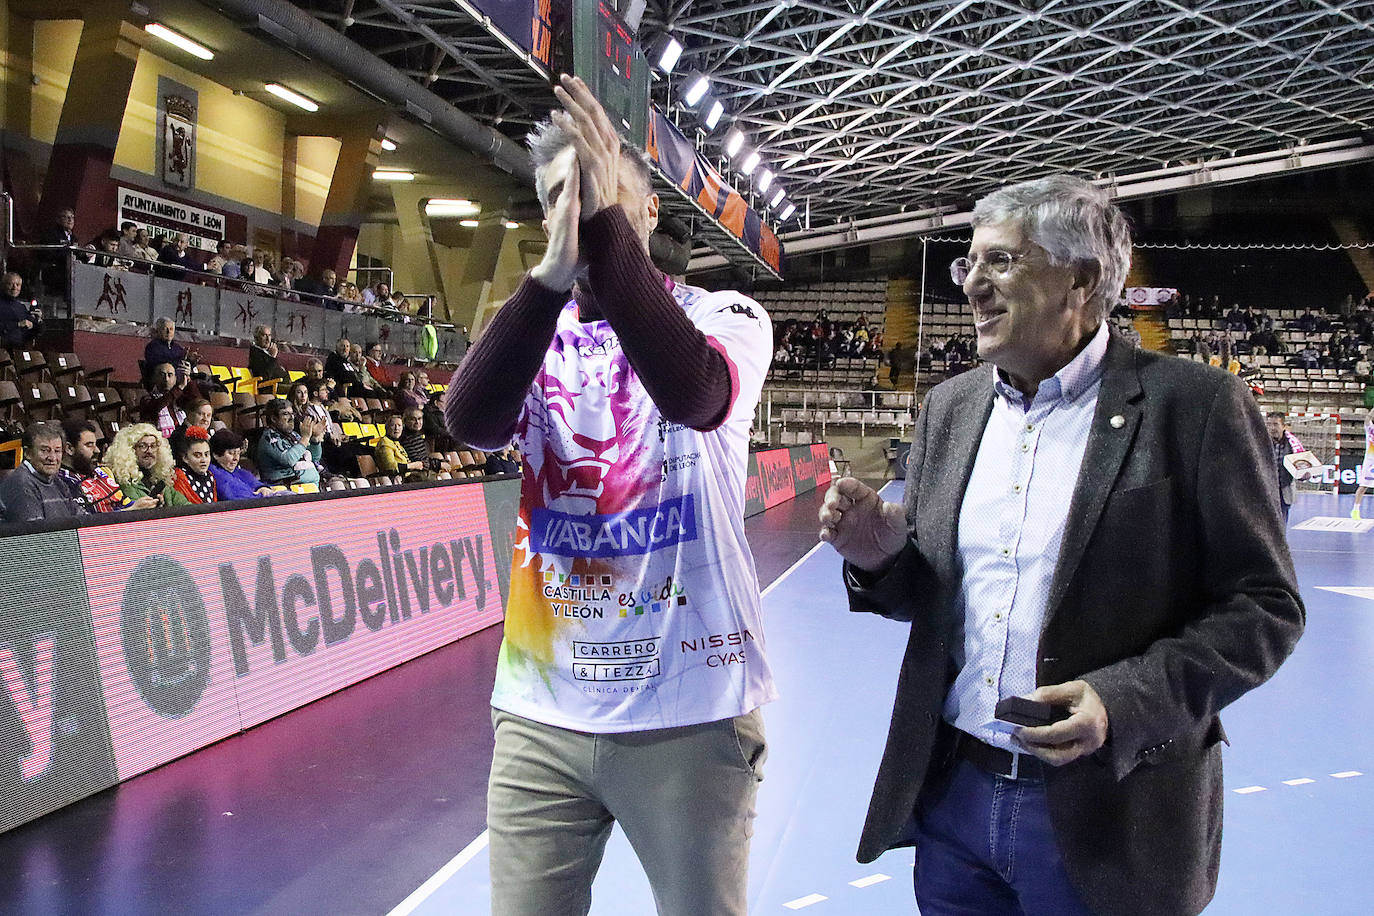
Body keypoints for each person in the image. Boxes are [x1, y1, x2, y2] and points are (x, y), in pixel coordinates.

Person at [817, 175, 1305, 916]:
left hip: (1110, 811)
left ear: (1082, 280)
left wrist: (1122, 701)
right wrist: (881, 556)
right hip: (955, 797)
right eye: (967, 265)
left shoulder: (1195, 407)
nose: (973, 285)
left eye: (1001, 263)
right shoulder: (952, 407)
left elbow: (1265, 607)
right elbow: (941, 596)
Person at [442, 74, 773, 916]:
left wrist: (600, 234)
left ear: (648, 214)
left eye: (599, 196)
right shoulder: (532, 331)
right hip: (540, 714)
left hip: (692, 714)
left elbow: (694, 393)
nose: (578, 216)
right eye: (560, 198)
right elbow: (472, 422)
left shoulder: (726, 313)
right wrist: (547, 283)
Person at [58, 419, 158, 512]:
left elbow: (125, 503)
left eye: (95, 444)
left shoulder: (101, 472)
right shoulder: (59, 483)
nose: (97, 450)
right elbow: (84, 522)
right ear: (69, 448)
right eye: (89, 445)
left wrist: (146, 504)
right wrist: (131, 511)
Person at [0, 423, 86, 522]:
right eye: (45, 450)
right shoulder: (20, 483)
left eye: (57, 451)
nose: (52, 458)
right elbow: (35, 532)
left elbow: (81, 517)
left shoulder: (57, 481)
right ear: (28, 453)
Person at [107, 424, 190, 507]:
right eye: (143, 446)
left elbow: (186, 506)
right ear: (131, 449)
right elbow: (138, 514)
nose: (149, 451)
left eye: (153, 446)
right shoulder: (125, 481)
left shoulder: (159, 480)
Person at [257, 398, 322, 486]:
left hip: (307, 489)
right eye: (285, 414)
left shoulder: (293, 435)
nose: (291, 418)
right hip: (285, 491)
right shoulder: (269, 437)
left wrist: (314, 439)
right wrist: (305, 438)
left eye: (292, 413)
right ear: (273, 418)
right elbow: (288, 460)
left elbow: (314, 458)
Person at [140, 361, 204, 438]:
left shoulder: (180, 397)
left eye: (170, 375)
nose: (166, 379)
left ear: (175, 378)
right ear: (154, 378)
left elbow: (199, 405)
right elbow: (157, 406)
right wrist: (179, 388)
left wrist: (188, 379)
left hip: (183, 441)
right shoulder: (147, 399)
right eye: (162, 375)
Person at [208, 428, 276, 499]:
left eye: (238, 453)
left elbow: (254, 482)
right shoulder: (214, 473)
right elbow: (237, 498)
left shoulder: (238, 471)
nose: (236, 458)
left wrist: (262, 488)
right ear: (216, 455)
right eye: (231, 453)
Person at [1266, 411, 1303, 524]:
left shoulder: (1294, 444)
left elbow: (1302, 466)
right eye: (1269, 424)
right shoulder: (1261, 442)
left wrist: (1303, 474)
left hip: (1284, 489)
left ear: (1284, 426)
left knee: (1282, 522)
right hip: (1265, 489)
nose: (1272, 428)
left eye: (1276, 424)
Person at [374, 414, 431, 482]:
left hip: (407, 475)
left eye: (399, 425)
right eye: (393, 425)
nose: (396, 428)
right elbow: (390, 467)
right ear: (387, 428)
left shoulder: (396, 442)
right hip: (395, 478)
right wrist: (413, 465)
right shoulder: (385, 443)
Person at [169, 426, 218, 504]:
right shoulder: (178, 477)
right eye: (197, 455)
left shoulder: (210, 476)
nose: (203, 460)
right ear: (185, 458)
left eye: (206, 454)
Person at [143, 317, 195, 387]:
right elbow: (160, 364)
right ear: (158, 330)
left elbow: (182, 362)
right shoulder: (152, 347)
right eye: (165, 329)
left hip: (180, 379)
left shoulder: (177, 348)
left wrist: (191, 360)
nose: (169, 332)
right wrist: (179, 360)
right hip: (162, 381)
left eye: (171, 329)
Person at [399, 407, 450, 475]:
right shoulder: (405, 438)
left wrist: (440, 462)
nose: (417, 422)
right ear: (405, 421)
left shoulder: (417, 435)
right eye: (413, 419)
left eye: (419, 418)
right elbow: (419, 462)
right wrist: (439, 464)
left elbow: (424, 459)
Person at [0, 271, 42, 348]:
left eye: (18, 285)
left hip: (19, 350)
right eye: (10, 284)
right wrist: (17, 324)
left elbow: (36, 331)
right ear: (3, 285)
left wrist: (38, 320)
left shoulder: (21, 307)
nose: (14, 288)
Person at [1350, 413, 1374, 520]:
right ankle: (1355, 510)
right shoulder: (1370, 429)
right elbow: (1367, 417)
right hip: (1370, 462)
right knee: (1363, 487)